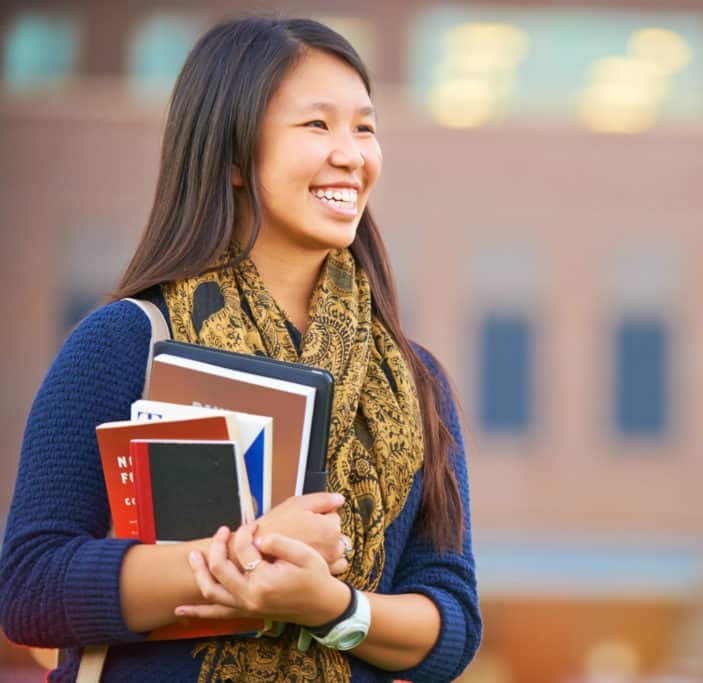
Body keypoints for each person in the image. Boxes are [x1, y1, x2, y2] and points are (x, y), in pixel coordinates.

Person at [0, 16, 480, 683]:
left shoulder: (412, 380)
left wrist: (334, 607)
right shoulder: (128, 341)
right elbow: (29, 586)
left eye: (364, 127)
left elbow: (450, 620)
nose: (351, 153)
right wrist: (251, 557)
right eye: (317, 125)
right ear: (230, 155)